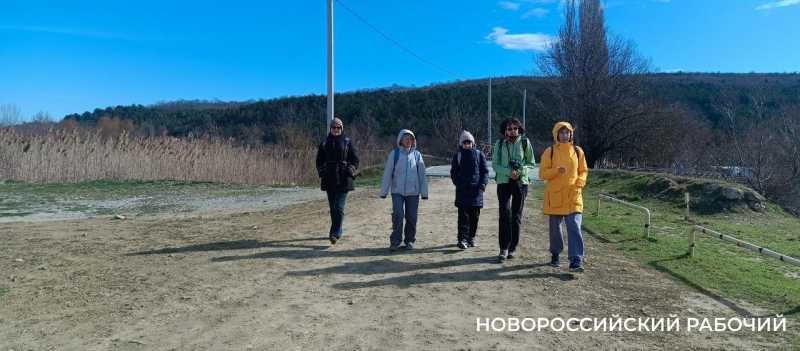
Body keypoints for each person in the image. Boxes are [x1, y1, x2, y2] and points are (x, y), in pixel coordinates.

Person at [539, 121, 588, 272]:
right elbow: (542, 174)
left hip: (573, 195)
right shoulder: (550, 151)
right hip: (555, 196)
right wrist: (555, 171)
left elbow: (583, 170)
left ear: (571, 134)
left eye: (567, 132)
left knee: (574, 226)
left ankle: (576, 260)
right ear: (556, 134)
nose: (565, 135)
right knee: (555, 229)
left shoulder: (578, 151)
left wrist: (581, 181)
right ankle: (555, 254)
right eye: (561, 132)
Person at [492, 118, 536, 263]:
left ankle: (512, 247)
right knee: (504, 214)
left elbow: (531, 163)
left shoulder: (525, 143)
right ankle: (503, 248)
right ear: (505, 130)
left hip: (520, 182)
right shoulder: (499, 144)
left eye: (515, 128)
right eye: (509, 128)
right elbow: (495, 165)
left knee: (516, 216)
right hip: (504, 182)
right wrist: (507, 172)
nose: (512, 131)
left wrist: (521, 170)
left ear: (519, 129)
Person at [379, 129, 429, 252]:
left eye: (411, 138)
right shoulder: (394, 154)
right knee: (398, 215)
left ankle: (409, 240)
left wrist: (424, 193)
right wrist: (384, 191)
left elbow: (422, 175)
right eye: (406, 138)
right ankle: (395, 242)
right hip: (397, 191)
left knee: (411, 217)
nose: (408, 140)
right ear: (400, 140)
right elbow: (387, 173)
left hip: (413, 192)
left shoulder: (417, 155)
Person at [315, 117, 359, 245]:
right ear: (330, 128)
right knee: (333, 207)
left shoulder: (348, 142)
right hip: (329, 179)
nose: (336, 129)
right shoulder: (324, 142)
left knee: (338, 207)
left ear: (342, 128)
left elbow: (355, 160)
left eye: (338, 127)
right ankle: (335, 230)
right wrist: (322, 171)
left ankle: (335, 232)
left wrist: (351, 169)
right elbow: (319, 161)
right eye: (334, 127)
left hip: (344, 178)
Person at [450, 130, 490, 250]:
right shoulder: (457, 156)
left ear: (473, 143)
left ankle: (471, 238)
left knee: (474, 217)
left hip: (476, 192)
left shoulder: (479, 155)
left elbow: (485, 172)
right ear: (461, 144)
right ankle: (462, 239)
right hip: (462, 192)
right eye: (464, 142)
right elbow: (453, 173)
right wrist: (459, 184)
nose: (467, 144)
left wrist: (483, 184)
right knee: (463, 217)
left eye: (469, 142)